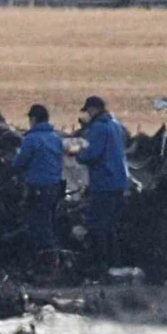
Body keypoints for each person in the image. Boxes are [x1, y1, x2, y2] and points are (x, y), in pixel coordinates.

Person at [75, 95, 130, 272]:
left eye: (89, 110)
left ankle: (101, 264)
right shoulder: (116, 125)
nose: (88, 114)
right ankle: (116, 263)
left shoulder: (98, 128)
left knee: (98, 224)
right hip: (120, 181)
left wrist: (77, 154)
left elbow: (92, 154)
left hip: (104, 182)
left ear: (94, 109)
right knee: (111, 225)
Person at [11, 104, 64, 279]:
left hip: (38, 188)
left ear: (33, 119)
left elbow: (20, 163)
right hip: (55, 188)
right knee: (48, 222)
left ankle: (49, 265)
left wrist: (11, 170)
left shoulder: (31, 139)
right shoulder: (55, 138)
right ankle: (51, 262)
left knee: (39, 225)